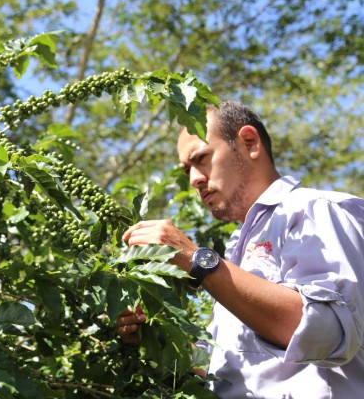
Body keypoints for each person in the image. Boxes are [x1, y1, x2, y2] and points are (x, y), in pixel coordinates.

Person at [117, 101, 364, 398]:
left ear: (249, 143)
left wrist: (198, 261)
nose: (194, 178)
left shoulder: (315, 209)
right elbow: (228, 369)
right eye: (187, 170)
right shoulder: (238, 251)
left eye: (201, 158)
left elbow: (329, 332)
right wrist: (155, 334)